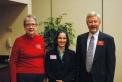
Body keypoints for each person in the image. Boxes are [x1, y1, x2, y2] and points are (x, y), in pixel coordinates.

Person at [76, 11, 116, 82]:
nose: (93, 24)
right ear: (87, 24)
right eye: (90, 22)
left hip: (100, 79)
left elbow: (111, 64)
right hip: (83, 79)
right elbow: (78, 61)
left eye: (95, 21)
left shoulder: (108, 40)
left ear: (99, 23)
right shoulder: (80, 38)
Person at [9, 15, 45, 82]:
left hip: (40, 75)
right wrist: (13, 80)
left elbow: (43, 58)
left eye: (33, 24)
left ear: (36, 26)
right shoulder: (18, 41)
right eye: (28, 25)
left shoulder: (41, 39)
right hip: (23, 76)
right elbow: (13, 61)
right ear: (24, 27)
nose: (31, 27)